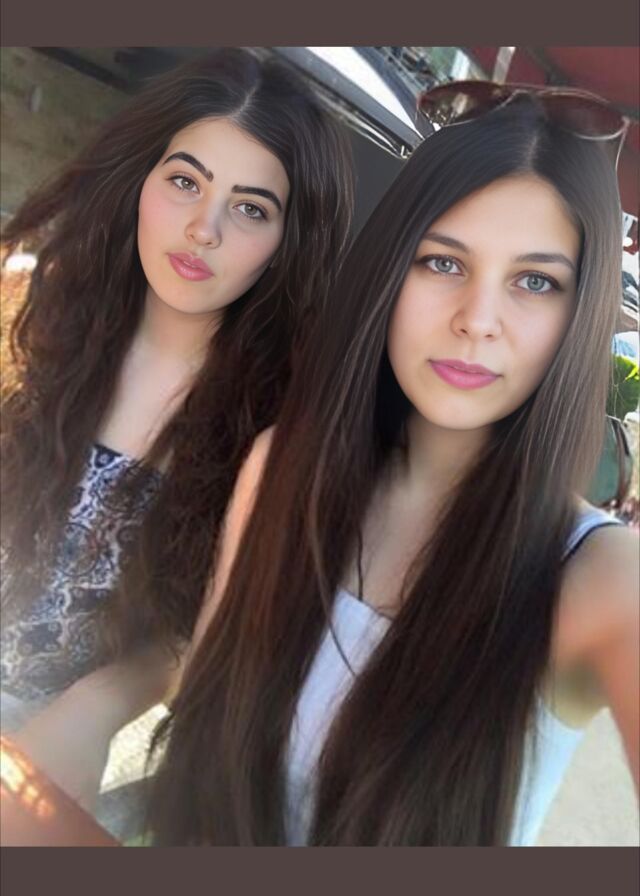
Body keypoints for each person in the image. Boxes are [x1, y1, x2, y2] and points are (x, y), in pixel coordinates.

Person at [147, 87, 639, 846]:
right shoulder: (281, 470)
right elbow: (197, 716)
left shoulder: (600, 579)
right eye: (443, 262)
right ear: (388, 271)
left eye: (535, 281)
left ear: (580, 315)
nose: (478, 319)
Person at [0, 49, 354, 808]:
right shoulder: (27, 317)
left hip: (42, 753)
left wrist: (101, 703)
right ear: (142, 179)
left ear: (288, 242)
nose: (203, 228)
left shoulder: (274, 434)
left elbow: (203, 630)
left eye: (251, 208)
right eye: (186, 182)